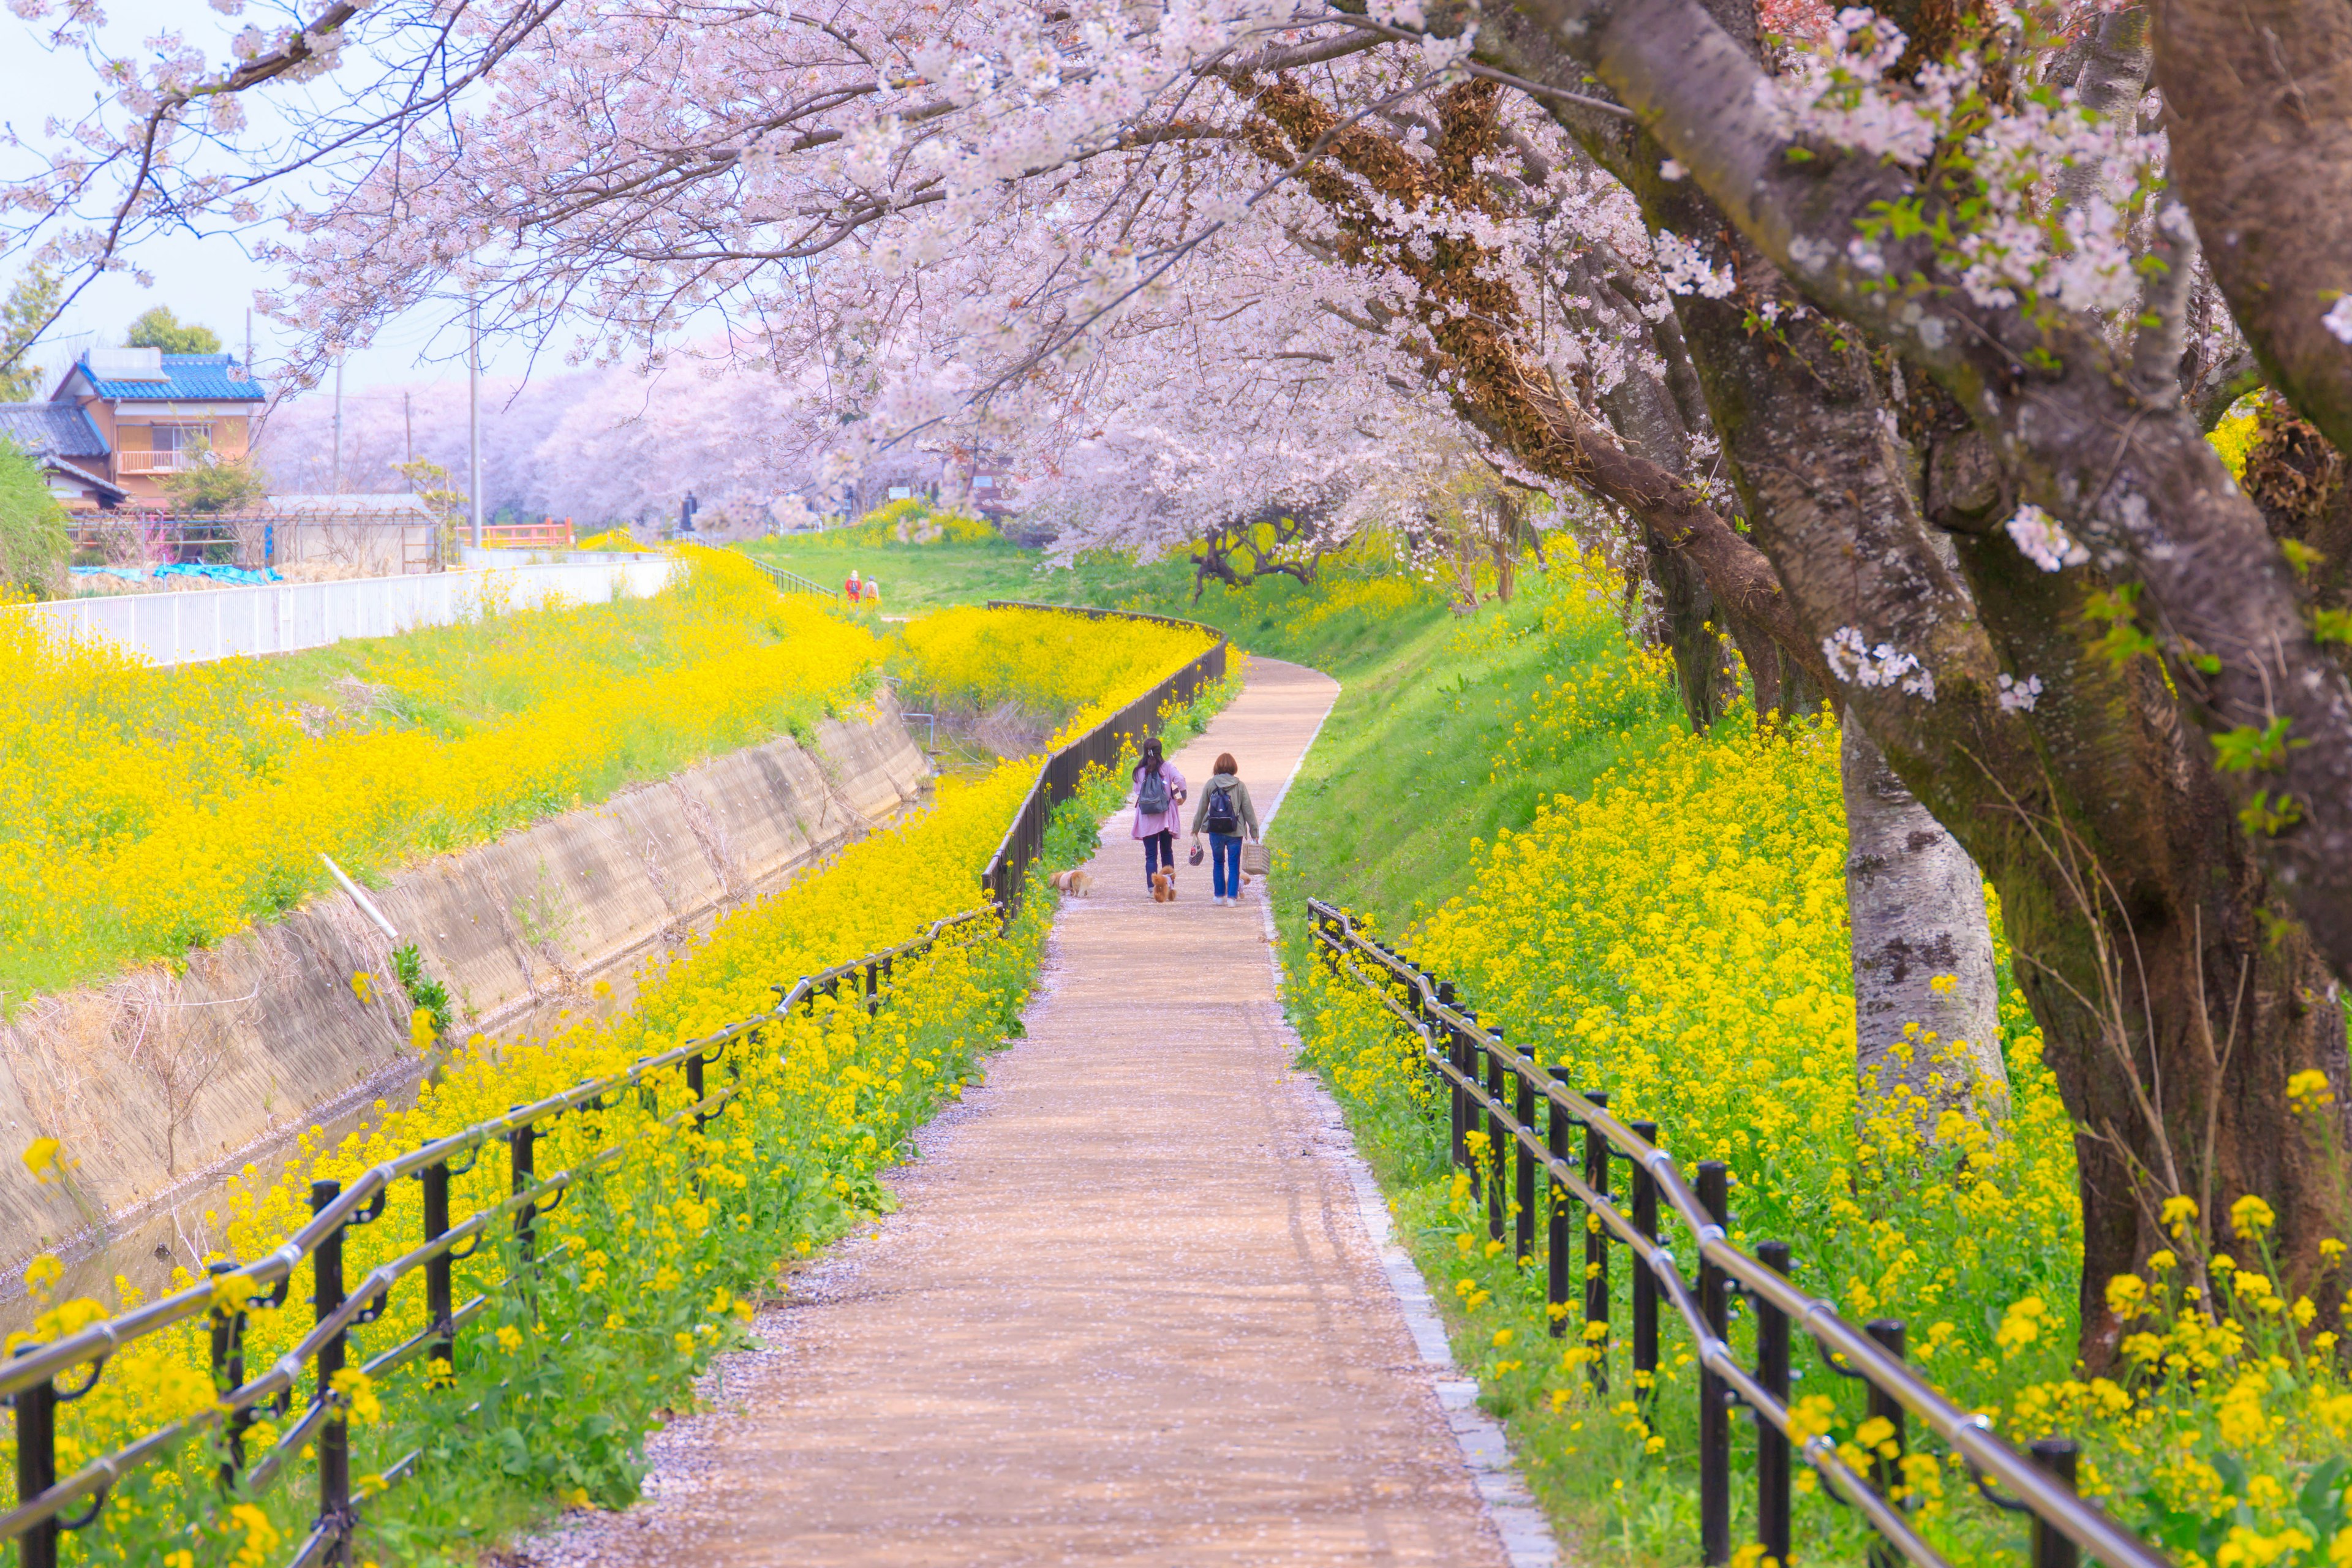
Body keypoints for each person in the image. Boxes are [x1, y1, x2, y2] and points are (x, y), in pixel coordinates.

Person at [1189, 752, 1261, 906]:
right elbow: (1248, 810)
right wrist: (1254, 832)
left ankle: (1219, 896)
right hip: (1235, 831)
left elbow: (1202, 808)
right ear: (1234, 767)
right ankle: (1232, 898)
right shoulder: (1240, 786)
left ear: (1217, 767)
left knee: (1218, 862)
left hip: (1215, 830)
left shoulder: (1210, 784)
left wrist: (1195, 828)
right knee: (1234, 864)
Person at [1130, 736, 1187, 895]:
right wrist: (1183, 796)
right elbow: (1181, 780)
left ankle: (1152, 888)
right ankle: (1169, 885)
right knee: (1167, 852)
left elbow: (1137, 792)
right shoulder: (1167, 767)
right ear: (1160, 751)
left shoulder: (1139, 771)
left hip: (1147, 818)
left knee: (1150, 856)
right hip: (1165, 817)